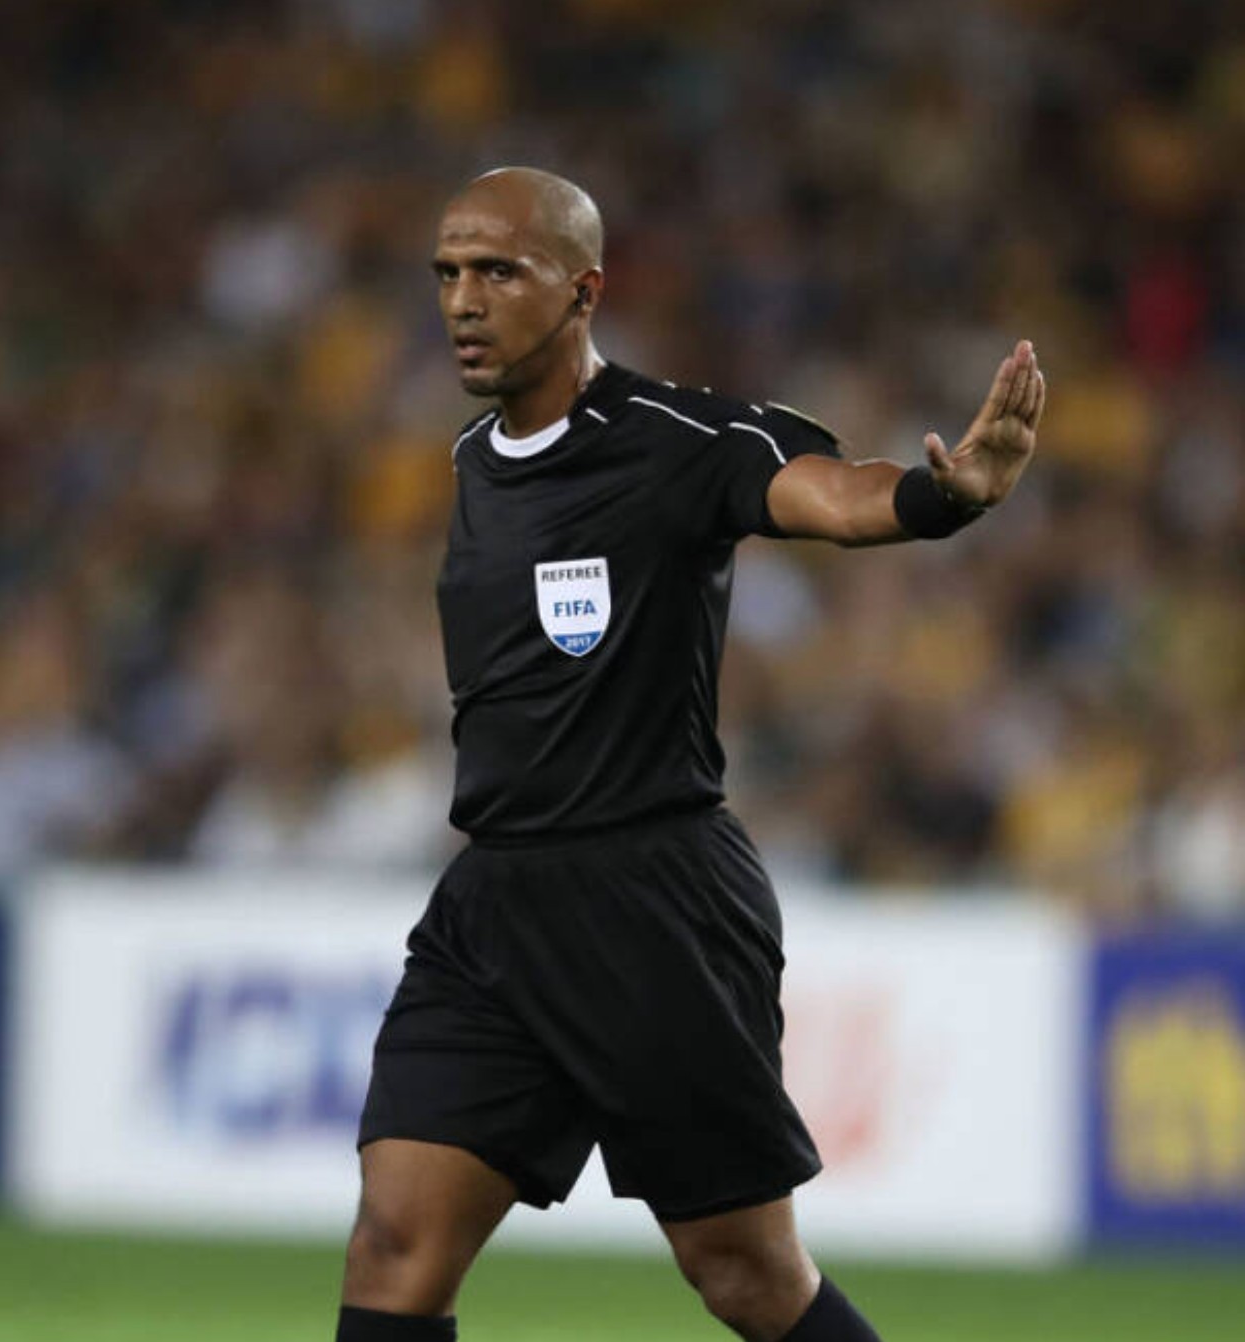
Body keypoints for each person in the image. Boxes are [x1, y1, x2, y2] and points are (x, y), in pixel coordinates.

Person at [335, 167, 1045, 1342]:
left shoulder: (676, 438)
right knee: (393, 1244)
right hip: (494, 903)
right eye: (448, 273)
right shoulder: (470, 459)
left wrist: (943, 496)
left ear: (582, 291)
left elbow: (831, 496)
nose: (462, 299)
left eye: (499, 270)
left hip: (651, 900)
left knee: (743, 1272)